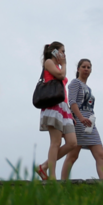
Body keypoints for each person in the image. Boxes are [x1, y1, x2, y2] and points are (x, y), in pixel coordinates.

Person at [35, 42, 79, 181]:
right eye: (62, 51)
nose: (64, 54)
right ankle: (52, 176)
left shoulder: (57, 66)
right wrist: (64, 64)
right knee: (56, 142)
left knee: (72, 142)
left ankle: (44, 166)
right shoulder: (48, 62)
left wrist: (70, 113)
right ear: (54, 52)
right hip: (53, 106)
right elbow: (60, 75)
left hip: (63, 107)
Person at [61, 59, 103, 180]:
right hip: (78, 121)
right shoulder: (75, 83)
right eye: (83, 67)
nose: (86, 69)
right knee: (73, 155)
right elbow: (72, 101)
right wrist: (81, 118)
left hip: (89, 123)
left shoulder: (88, 87)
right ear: (78, 69)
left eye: (88, 67)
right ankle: (62, 182)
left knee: (101, 155)